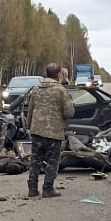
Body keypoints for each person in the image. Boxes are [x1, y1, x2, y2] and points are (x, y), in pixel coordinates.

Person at [25, 63, 74, 198]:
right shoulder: (61, 90)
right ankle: (48, 188)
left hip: (36, 131)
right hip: (54, 132)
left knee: (35, 160)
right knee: (53, 161)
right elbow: (69, 113)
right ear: (59, 75)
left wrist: (29, 126)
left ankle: (32, 189)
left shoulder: (36, 89)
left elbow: (30, 110)